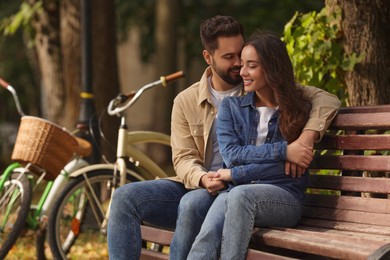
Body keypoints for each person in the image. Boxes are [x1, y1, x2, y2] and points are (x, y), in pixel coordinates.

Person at [107, 15, 341, 260]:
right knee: (125, 198)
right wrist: (202, 178)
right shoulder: (186, 101)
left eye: (241, 55)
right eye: (229, 57)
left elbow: (324, 99)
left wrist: (305, 138)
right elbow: (184, 158)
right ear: (208, 58)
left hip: (239, 186)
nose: (239, 64)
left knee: (194, 203)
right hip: (204, 183)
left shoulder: (257, 85)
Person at [186, 30, 318, 260]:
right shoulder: (231, 108)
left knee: (238, 196)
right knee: (208, 233)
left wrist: (234, 174)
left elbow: (287, 173)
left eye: (251, 66)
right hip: (238, 192)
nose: (242, 72)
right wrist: (282, 151)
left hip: (284, 199)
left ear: (272, 69)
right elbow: (233, 155)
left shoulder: (298, 111)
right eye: (242, 64)